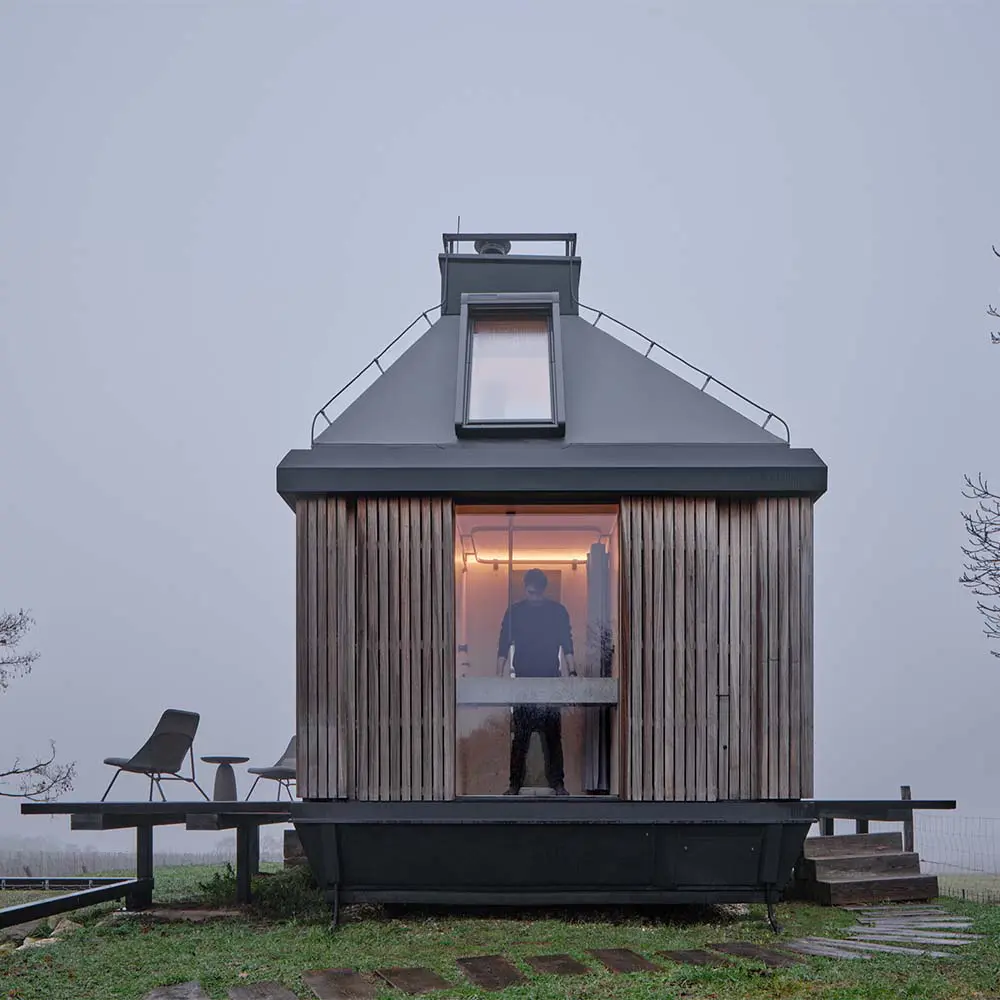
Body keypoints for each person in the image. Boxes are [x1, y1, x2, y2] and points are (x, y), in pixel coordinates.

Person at [496, 568, 575, 796]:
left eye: (535, 593)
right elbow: (504, 644)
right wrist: (499, 679)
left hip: (544, 681)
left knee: (546, 737)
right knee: (527, 738)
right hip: (529, 682)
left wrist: (572, 673)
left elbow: (566, 643)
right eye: (532, 593)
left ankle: (551, 784)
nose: (534, 597)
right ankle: (521, 785)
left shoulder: (542, 612)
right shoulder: (526, 612)